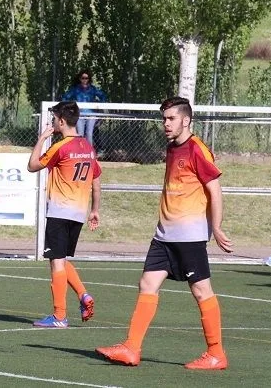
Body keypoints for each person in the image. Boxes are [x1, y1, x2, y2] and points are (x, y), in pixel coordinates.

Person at [96, 97, 233, 370]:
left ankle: (216, 353)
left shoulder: (197, 149)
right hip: (164, 235)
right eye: (163, 119)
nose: (166, 124)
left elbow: (215, 190)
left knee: (200, 290)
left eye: (171, 119)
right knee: (147, 284)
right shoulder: (172, 148)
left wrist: (216, 227)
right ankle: (131, 348)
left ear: (186, 119)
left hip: (189, 235)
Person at [27, 101, 101, 328]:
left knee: (56, 263)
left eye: (54, 118)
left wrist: (41, 138)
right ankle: (83, 295)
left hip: (60, 210)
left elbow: (32, 165)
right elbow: (96, 180)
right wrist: (95, 210)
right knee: (61, 259)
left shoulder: (62, 147)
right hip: (78, 212)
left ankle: (59, 316)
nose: (52, 122)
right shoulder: (88, 147)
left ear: (61, 120)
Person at [62, 70, 107, 148]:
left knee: (89, 134)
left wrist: (99, 105)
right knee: (80, 134)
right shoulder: (75, 89)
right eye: (83, 78)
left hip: (91, 114)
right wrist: (70, 108)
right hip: (79, 115)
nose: (85, 80)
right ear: (80, 79)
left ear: (89, 79)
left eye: (87, 78)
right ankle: (79, 151)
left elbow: (103, 96)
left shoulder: (93, 89)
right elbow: (65, 97)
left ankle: (89, 152)